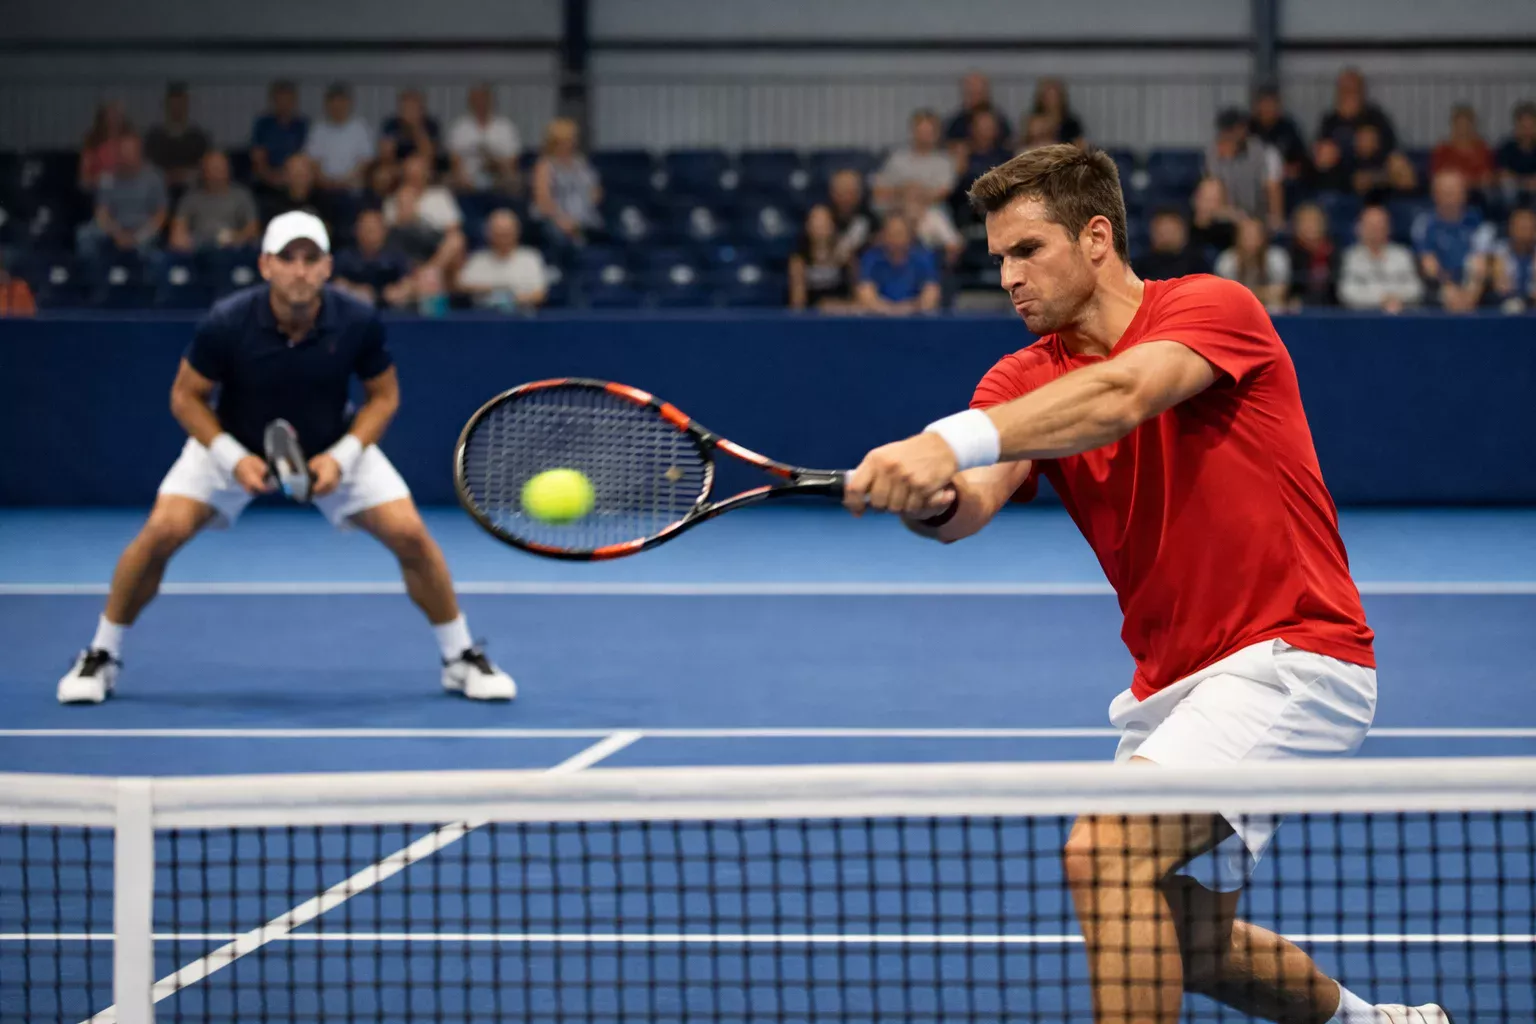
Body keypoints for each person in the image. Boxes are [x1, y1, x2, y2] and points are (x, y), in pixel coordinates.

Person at [841, 143, 1446, 1024]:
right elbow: (971, 503)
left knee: (1105, 852)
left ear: (1096, 238)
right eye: (998, 258)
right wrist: (928, 496)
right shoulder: (1020, 378)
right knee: (1190, 942)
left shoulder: (1212, 307)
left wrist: (948, 439)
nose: (1007, 276)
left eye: (1027, 250)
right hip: (1171, 684)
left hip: (1293, 653)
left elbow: (1125, 393)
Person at [56, 211, 515, 706]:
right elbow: (185, 397)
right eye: (287, 258)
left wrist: (342, 456)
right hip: (231, 444)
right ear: (265, 266)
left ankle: (460, 657)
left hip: (332, 445)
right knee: (161, 533)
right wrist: (232, 458)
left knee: (410, 535)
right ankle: (101, 655)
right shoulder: (228, 322)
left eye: (310, 258)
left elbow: (384, 397)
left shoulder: (357, 320)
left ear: (326, 268)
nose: (299, 269)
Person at [1410, 170, 1496, 313]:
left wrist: (1470, 294)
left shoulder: (1479, 222)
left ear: (1464, 194)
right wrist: (1448, 289)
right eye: (1444, 192)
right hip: (1440, 287)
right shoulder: (1424, 224)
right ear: (1434, 195)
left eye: (1454, 191)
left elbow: (1481, 262)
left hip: (1473, 288)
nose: (1449, 197)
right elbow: (1428, 264)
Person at [76, 135, 168, 259]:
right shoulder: (107, 178)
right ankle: (93, 276)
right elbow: (101, 213)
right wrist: (118, 234)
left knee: (156, 255)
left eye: (130, 152)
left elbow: (160, 215)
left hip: (143, 228)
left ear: (139, 153)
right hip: (114, 226)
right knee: (85, 235)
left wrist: (138, 237)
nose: (126, 156)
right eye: (122, 152)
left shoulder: (154, 177)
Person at [455, 208, 549, 310]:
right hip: (484, 317)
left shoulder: (530, 258)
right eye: (498, 234)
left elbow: (540, 295)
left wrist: (512, 298)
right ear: (489, 234)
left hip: (520, 316)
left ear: (517, 232)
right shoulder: (478, 259)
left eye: (507, 234)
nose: (503, 239)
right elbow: (460, 285)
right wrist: (494, 289)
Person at [530, 118, 603, 246]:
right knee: (560, 236)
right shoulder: (545, 166)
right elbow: (543, 201)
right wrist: (563, 220)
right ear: (553, 143)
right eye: (564, 141)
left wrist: (581, 213)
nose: (570, 144)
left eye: (572, 140)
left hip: (583, 217)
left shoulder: (581, 163)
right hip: (555, 218)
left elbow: (595, 192)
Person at [168, 151, 260, 253]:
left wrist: (236, 238)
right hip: (197, 252)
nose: (216, 172)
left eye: (220, 167)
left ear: (228, 169)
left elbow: (253, 229)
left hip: (232, 251)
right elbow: (178, 230)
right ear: (203, 170)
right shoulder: (190, 198)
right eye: (212, 168)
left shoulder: (242, 195)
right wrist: (182, 240)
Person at [1338, 205, 1423, 313]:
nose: (1375, 230)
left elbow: (1415, 288)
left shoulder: (1402, 255)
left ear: (1388, 228)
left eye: (1380, 225)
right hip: (1362, 318)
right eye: (1371, 225)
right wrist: (1381, 299)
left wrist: (1394, 298)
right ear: (1359, 228)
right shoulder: (1350, 256)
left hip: (1400, 315)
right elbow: (1347, 292)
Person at [871, 110, 955, 214]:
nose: (924, 137)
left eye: (928, 132)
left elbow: (942, 193)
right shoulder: (897, 157)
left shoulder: (944, 161)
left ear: (937, 133)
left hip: (930, 211)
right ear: (913, 132)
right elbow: (879, 189)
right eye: (921, 132)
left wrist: (914, 192)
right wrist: (904, 190)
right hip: (897, 211)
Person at [854, 215, 941, 315]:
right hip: (879, 320)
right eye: (890, 234)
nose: (895, 239)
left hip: (916, 322)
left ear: (910, 236)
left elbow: (930, 298)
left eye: (899, 234)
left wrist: (904, 309)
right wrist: (893, 310)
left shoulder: (924, 259)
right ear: (883, 235)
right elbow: (866, 298)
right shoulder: (870, 259)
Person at [447, 83, 522, 193]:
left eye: (484, 99)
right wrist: (465, 179)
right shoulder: (460, 127)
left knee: (514, 181)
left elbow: (512, 162)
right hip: (466, 182)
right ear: (470, 102)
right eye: (476, 99)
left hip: (499, 179)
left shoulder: (506, 127)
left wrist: (495, 165)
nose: (480, 103)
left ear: (491, 101)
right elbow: (454, 161)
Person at [332, 209, 413, 309]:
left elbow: (408, 281)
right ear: (356, 231)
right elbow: (335, 284)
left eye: (374, 230)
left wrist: (398, 291)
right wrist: (353, 290)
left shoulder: (396, 256)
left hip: (391, 312)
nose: (369, 235)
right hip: (353, 310)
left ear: (384, 231)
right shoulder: (344, 257)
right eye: (365, 229)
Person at [305, 83, 375, 191]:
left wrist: (345, 181)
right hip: (323, 187)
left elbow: (365, 162)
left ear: (349, 103)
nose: (337, 106)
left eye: (341, 102)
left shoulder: (361, 127)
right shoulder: (318, 129)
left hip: (352, 187)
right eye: (333, 102)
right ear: (326, 104)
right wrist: (326, 181)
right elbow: (313, 161)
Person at [788, 204, 856, 313]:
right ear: (808, 226)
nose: (820, 227)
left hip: (842, 316)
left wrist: (836, 306)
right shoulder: (799, 260)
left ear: (832, 226)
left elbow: (857, 295)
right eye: (816, 222)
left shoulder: (846, 257)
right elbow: (797, 303)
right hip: (812, 319)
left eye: (824, 222)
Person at [1214, 216, 1290, 312]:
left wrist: (1246, 294)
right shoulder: (1227, 260)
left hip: (1270, 312)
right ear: (1238, 238)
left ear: (1263, 237)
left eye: (1255, 235)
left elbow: (1279, 292)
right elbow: (1226, 295)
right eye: (1246, 235)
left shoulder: (1276, 257)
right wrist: (1263, 293)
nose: (1251, 240)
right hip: (1237, 311)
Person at [144, 83, 210, 192]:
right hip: (161, 188)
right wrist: (168, 176)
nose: (177, 110)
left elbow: (206, 167)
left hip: (191, 189)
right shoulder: (155, 138)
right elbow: (148, 167)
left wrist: (185, 175)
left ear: (186, 106)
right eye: (173, 105)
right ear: (166, 106)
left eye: (180, 105)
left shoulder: (198, 138)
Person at [250, 80, 310, 192]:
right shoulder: (263, 124)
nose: (284, 103)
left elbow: (306, 156)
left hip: (295, 178)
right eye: (280, 99)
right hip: (268, 179)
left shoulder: (302, 125)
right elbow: (258, 159)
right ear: (273, 100)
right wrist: (271, 177)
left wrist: (290, 176)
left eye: (288, 99)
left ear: (294, 101)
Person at [1430, 105, 1495, 192]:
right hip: (1450, 192)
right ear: (1453, 126)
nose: (1463, 129)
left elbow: (1488, 177)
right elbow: (1437, 177)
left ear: (1473, 126)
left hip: (1478, 193)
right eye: (1459, 125)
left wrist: (1470, 182)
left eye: (1466, 125)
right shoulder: (1443, 149)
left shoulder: (1482, 148)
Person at [1286, 203, 1338, 309]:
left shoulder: (1334, 252)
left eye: (1314, 221)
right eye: (1305, 221)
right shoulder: (1289, 255)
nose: (1310, 226)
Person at [378, 87, 442, 170]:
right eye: (406, 106)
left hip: (422, 168)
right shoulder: (390, 124)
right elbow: (385, 156)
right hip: (396, 167)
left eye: (414, 106)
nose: (410, 110)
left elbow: (430, 155)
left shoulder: (431, 125)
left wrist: (416, 127)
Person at [1136, 207, 1208, 280]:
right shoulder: (1140, 268)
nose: (1167, 235)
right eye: (1162, 231)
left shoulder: (1199, 265)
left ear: (1184, 232)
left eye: (1171, 231)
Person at [1488, 206, 1536, 313]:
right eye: (1520, 227)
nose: (1524, 232)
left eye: (1528, 227)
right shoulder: (1498, 252)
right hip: (1503, 310)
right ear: (1511, 228)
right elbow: (1500, 288)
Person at [79, 101, 134, 193]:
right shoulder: (92, 142)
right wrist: (105, 181)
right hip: (99, 192)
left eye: (117, 116)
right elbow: (85, 179)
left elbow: (137, 172)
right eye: (110, 115)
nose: (114, 120)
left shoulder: (130, 142)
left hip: (127, 193)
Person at [1027, 77, 1086, 148]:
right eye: (1048, 96)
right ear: (1041, 98)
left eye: (1054, 96)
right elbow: (1026, 140)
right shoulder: (1034, 119)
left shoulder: (1071, 122)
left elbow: (1079, 143)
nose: (1052, 100)